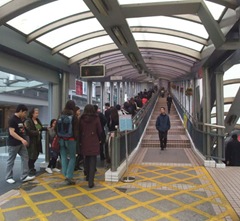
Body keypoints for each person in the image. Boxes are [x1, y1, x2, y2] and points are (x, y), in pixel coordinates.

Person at [5, 104, 35, 184]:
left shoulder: (20, 120)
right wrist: (22, 139)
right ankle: (8, 177)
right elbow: (12, 132)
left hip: (20, 143)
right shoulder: (12, 120)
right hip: (13, 143)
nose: (25, 114)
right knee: (11, 160)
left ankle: (24, 176)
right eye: (24, 112)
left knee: (25, 157)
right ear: (20, 111)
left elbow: (22, 131)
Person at [79, 104, 102, 188]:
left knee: (86, 159)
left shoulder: (81, 119)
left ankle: (87, 177)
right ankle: (91, 182)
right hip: (94, 141)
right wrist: (100, 139)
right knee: (93, 161)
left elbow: (79, 130)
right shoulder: (96, 118)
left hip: (84, 141)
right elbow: (99, 130)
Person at [58, 100, 78, 185]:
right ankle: (69, 176)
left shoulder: (60, 115)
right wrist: (77, 139)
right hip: (71, 139)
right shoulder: (73, 116)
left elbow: (56, 127)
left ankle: (65, 173)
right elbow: (76, 130)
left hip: (61, 139)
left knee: (63, 156)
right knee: (72, 157)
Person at [25, 108, 44, 176]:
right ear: (32, 113)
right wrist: (37, 132)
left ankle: (31, 167)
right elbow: (28, 131)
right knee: (32, 155)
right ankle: (31, 168)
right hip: (31, 140)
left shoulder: (37, 120)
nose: (37, 114)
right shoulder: (28, 121)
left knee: (37, 153)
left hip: (38, 140)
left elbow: (40, 128)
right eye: (36, 113)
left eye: (38, 113)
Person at [74, 106, 83, 171]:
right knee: (77, 152)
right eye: (78, 111)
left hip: (77, 137)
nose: (79, 112)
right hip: (76, 138)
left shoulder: (78, 118)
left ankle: (76, 165)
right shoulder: (75, 119)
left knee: (78, 152)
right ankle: (75, 166)